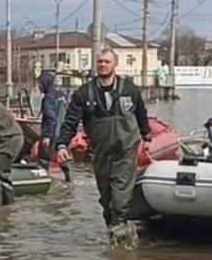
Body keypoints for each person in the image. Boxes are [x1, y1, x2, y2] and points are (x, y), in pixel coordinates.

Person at [56, 49, 151, 237]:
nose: (103, 65)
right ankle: (113, 230)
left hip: (125, 148)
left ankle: (120, 236)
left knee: (120, 195)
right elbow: (71, 121)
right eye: (99, 61)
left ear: (115, 64)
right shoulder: (84, 93)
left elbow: (141, 113)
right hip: (101, 152)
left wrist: (146, 134)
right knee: (106, 197)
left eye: (107, 61)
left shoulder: (129, 89)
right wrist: (61, 145)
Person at [36, 71, 71, 181]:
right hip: (63, 132)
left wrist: (47, 136)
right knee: (64, 159)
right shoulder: (61, 95)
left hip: (51, 133)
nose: (38, 87)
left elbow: (51, 118)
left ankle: (41, 182)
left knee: (43, 160)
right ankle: (70, 182)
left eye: (39, 84)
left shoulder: (48, 98)